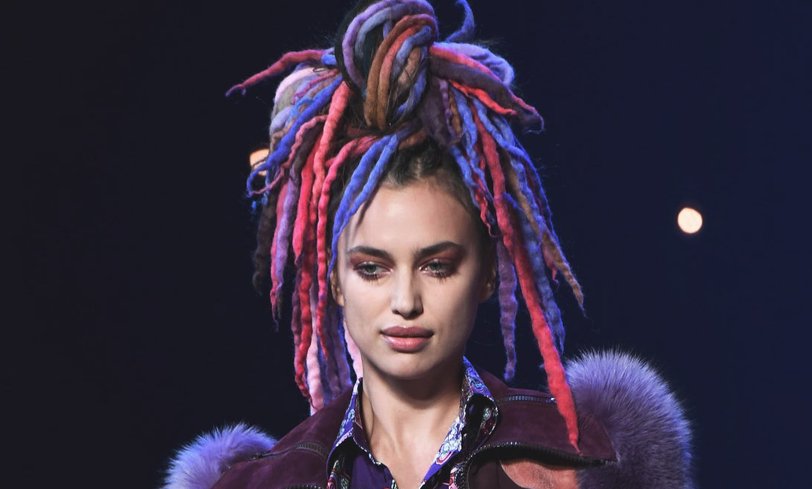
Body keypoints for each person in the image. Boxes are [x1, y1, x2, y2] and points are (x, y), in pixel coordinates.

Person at [164, 1, 694, 487]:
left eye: (437, 265)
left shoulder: (579, 468)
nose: (405, 301)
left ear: (488, 270)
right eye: (372, 268)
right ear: (334, 279)